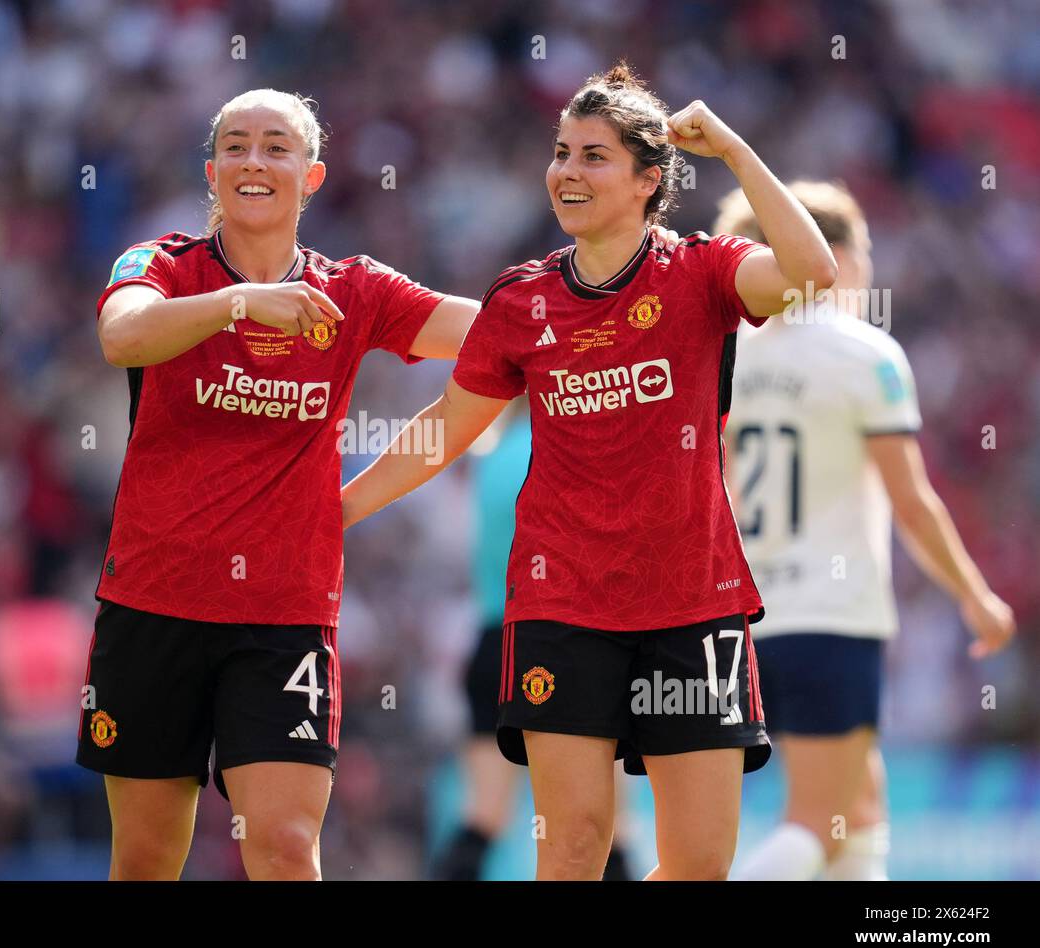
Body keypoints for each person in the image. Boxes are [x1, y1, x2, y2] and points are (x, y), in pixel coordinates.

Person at [342, 62, 838, 880]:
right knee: (572, 850)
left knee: (700, 863)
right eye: (561, 152)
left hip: (692, 603)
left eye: (593, 156)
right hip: (562, 605)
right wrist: (340, 508)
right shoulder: (520, 302)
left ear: (650, 179)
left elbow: (814, 275)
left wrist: (737, 153)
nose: (567, 171)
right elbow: (443, 431)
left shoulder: (704, 274)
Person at [75, 88, 484, 881]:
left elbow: (489, 335)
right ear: (212, 170)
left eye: (275, 146)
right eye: (235, 145)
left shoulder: (354, 291)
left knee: (287, 847)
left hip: (284, 615)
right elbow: (121, 335)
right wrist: (237, 304)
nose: (253, 160)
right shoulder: (161, 265)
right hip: (153, 602)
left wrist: (591, 301)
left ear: (313, 174)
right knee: (148, 858)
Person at [716, 182, 1016, 880]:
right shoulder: (862, 354)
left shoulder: (725, 354)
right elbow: (910, 500)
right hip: (829, 617)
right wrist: (973, 594)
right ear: (837, 256)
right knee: (819, 822)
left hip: (741, 621)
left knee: (862, 809)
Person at [431, 399, 637, 880]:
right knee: (604, 826)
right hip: (564, 641)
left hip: (492, 642)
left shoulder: (491, 453)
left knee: (481, 819)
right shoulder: (569, 449)